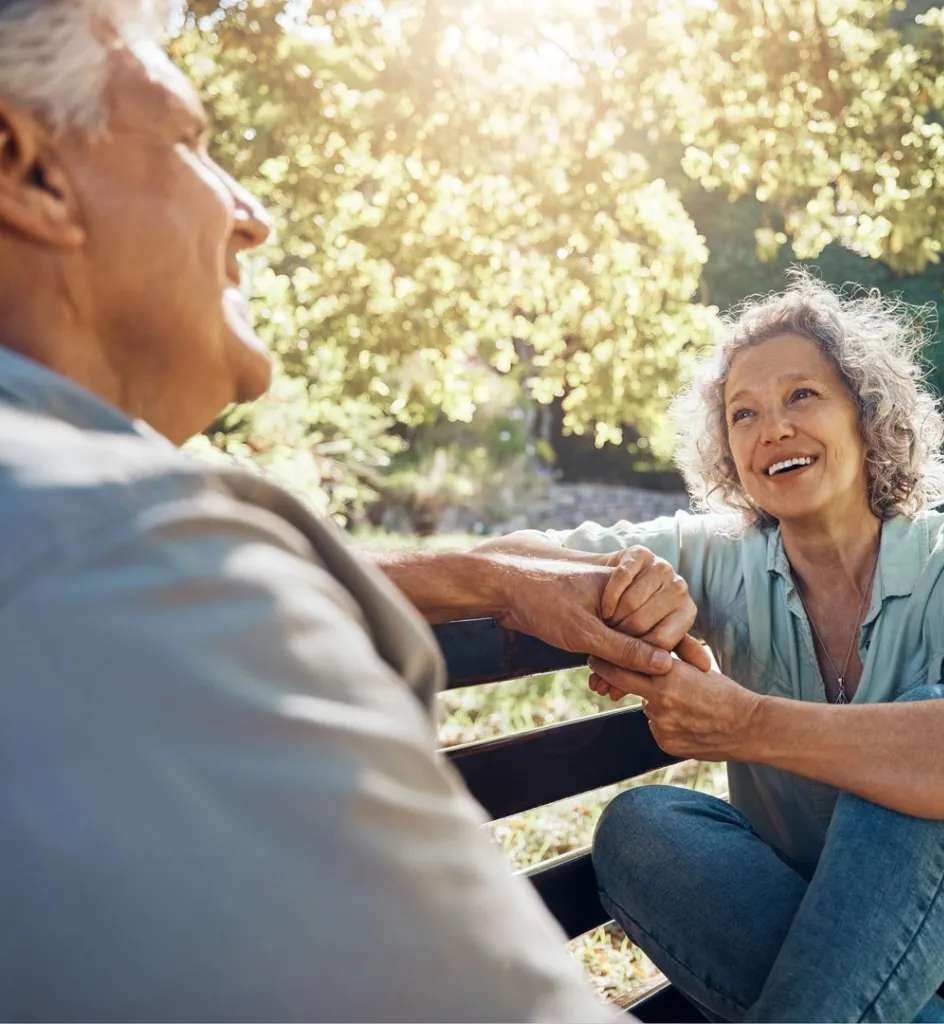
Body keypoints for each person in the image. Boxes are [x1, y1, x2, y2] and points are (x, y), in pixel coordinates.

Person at [0, 1, 695, 1019]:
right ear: (26, 169)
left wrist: (477, 574)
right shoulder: (140, 561)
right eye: (190, 141)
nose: (252, 213)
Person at [483, 274, 944, 1022]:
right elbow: (514, 557)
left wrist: (747, 725)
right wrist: (630, 590)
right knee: (645, 830)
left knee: (932, 739)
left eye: (803, 396)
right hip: (843, 958)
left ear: (868, 418)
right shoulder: (719, 558)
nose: (772, 428)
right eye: (744, 413)